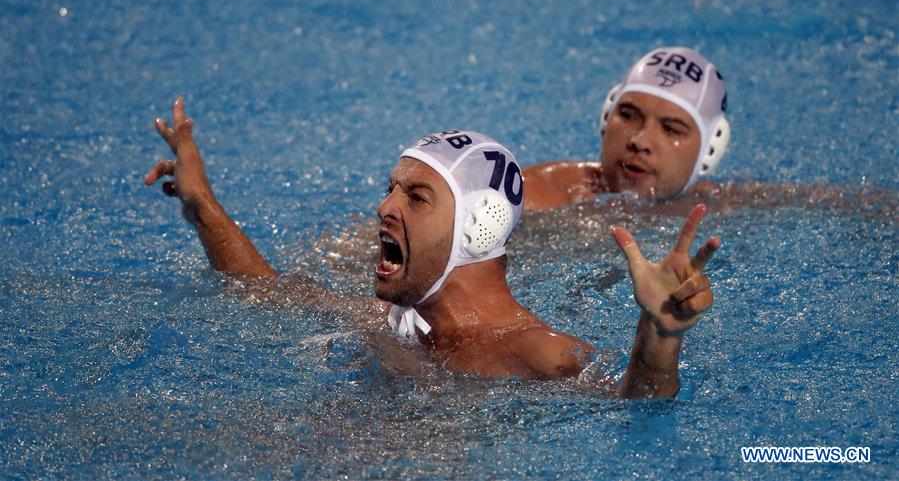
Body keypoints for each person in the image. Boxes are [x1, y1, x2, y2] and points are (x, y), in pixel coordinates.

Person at [145, 97, 721, 398]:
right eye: (389, 188)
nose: (384, 208)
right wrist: (202, 205)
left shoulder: (540, 354)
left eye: (416, 197)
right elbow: (264, 291)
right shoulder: (397, 320)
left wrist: (659, 338)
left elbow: (635, 408)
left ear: (482, 227)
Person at [523, 47, 731, 210]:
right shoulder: (532, 199)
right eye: (628, 115)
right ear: (607, 116)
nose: (640, 142)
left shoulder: (719, 207)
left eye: (671, 129)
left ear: (708, 150)